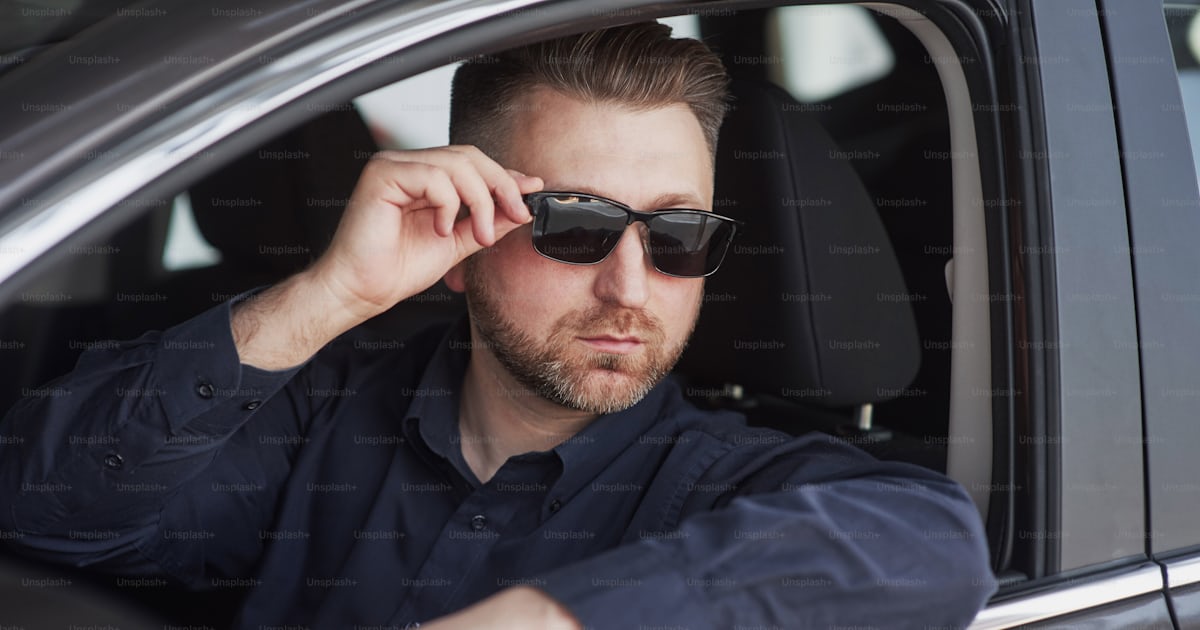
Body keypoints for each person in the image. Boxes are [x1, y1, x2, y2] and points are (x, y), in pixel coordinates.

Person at [0, 22, 997, 629]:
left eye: (680, 237)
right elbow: (42, 508)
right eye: (576, 225)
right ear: (465, 232)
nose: (629, 284)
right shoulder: (319, 425)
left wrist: (549, 621)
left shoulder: (733, 491)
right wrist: (327, 297)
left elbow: (936, 547)